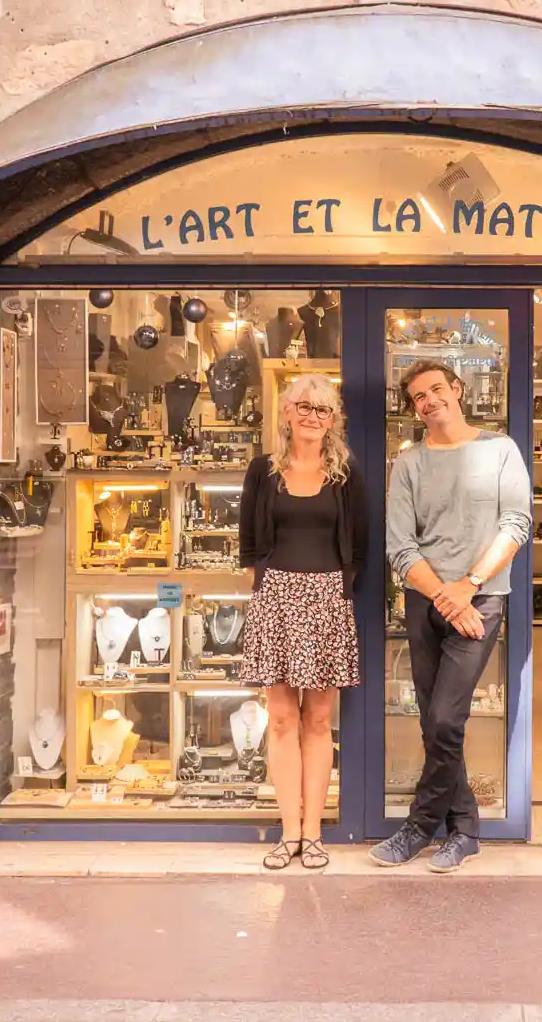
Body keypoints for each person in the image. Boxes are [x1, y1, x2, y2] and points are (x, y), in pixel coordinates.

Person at [372, 359, 531, 872]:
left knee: (444, 717)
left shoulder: (500, 449)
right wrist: (446, 594)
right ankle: (464, 829)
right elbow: (400, 545)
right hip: (427, 601)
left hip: (480, 599)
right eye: (419, 396)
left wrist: (469, 586)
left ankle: (420, 826)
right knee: (434, 721)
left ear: (458, 389)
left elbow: (516, 524)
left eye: (437, 389)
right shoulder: (409, 463)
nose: (429, 401)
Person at [238, 373, 367, 870]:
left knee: (317, 719)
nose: (313, 416)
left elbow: (360, 543)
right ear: (287, 413)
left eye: (323, 409)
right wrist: (267, 588)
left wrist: (335, 590)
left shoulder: (345, 474)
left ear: (333, 420)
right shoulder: (262, 471)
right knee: (281, 719)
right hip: (276, 598)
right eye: (304, 407)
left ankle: (313, 832)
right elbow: (249, 542)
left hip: (328, 599)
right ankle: (288, 831)